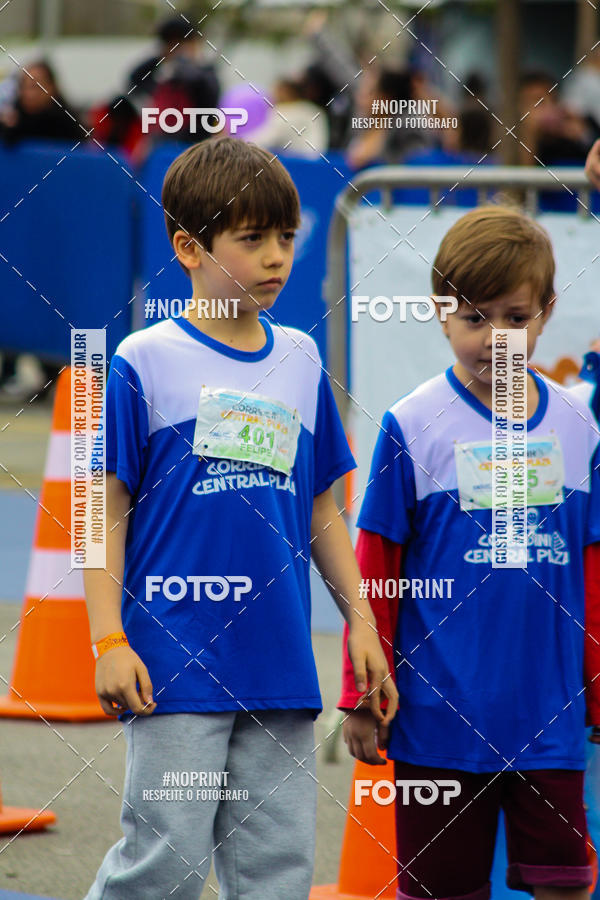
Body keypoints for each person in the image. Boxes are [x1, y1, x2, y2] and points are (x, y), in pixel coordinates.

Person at [84, 136, 397, 900]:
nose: (275, 257)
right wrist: (109, 640)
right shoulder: (141, 359)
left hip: (279, 666)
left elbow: (324, 511)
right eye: (251, 239)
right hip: (173, 665)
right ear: (189, 247)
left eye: (286, 237)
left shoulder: (300, 360)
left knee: (276, 874)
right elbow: (101, 513)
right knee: (163, 863)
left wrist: (362, 622)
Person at [339, 205, 600, 900]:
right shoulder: (413, 423)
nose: (497, 338)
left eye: (515, 317)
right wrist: (361, 691)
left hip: (549, 722)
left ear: (546, 313)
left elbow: (595, 571)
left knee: (566, 883)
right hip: (437, 726)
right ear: (440, 313)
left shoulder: (579, 427)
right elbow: (376, 572)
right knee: (439, 891)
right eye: (475, 317)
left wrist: (596, 688)